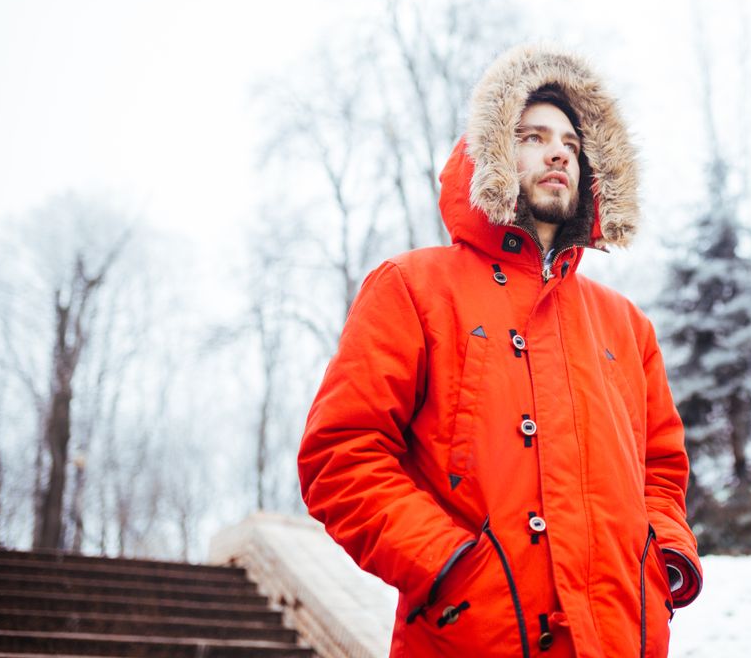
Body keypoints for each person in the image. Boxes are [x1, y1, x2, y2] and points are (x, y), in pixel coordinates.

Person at [298, 45, 702, 657]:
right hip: (473, 637)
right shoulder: (412, 288)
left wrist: (661, 562)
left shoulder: (626, 326)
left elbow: (662, 474)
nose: (558, 150)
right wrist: (452, 566)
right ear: (490, 153)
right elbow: (341, 456)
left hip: (620, 638)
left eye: (570, 140)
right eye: (532, 135)